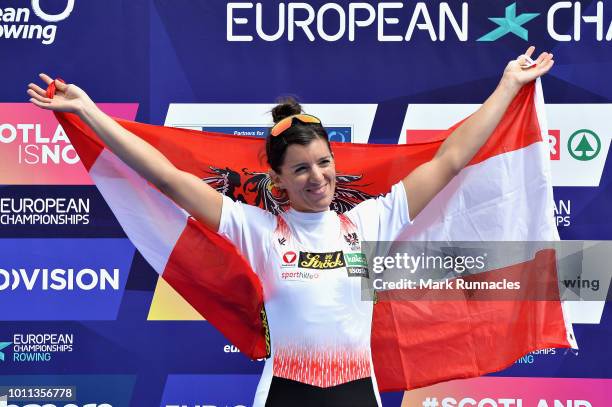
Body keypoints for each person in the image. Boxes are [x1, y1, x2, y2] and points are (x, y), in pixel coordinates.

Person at [28, 46, 553, 407]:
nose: (317, 177)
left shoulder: (370, 221)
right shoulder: (255, 229)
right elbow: (166, 177)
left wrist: (509, 84)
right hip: (283, 392)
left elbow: (452, 159)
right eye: (301, 169)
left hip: (355, 394)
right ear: (278, 180)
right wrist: (89, 111)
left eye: (323, 163)